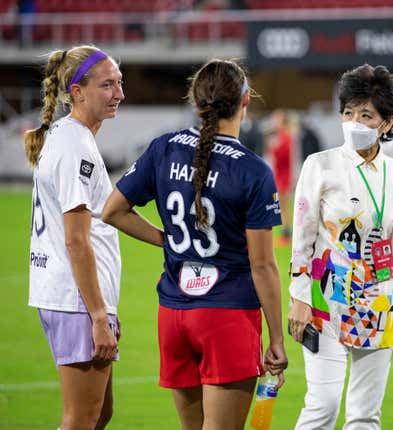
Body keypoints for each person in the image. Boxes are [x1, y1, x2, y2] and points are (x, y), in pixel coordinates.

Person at [101, 59, 288, 430]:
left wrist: (169, 241)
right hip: (227, 315)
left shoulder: (164, 148)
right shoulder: (252, 170)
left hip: (173, 314)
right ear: (245, 99)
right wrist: (277, 339)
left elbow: (113, 211)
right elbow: (263, 265)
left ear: (196, 100)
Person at [288, 64, 393, 430]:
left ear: (387, 122)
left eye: (366, 114)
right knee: (323, 406)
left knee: (365, 415)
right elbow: (302, 240)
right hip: (324, 300)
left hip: (381, 301)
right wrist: (299, 297)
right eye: (348, 112)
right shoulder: (320, 165)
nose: (353, 121)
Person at [24, 45, 124, 429]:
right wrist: (99, 314)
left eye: (119, 83)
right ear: (77, 91)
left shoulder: (69, 137)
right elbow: (77, 240)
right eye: (107, 85)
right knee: (82, 417)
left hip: (74, 297)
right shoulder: (75, 145)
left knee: (99, 413)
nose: (119, 93)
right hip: (76, 301)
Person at [268, 109, 294, 247]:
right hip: (280, 176)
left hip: (283, 177)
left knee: (283, 208)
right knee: (282, 208)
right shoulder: (281, 136)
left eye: (276, 119)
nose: (273, 122)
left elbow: (282, 156)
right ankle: (285, 234)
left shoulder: (285, 137)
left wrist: (273, 147)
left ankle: (286, 235)